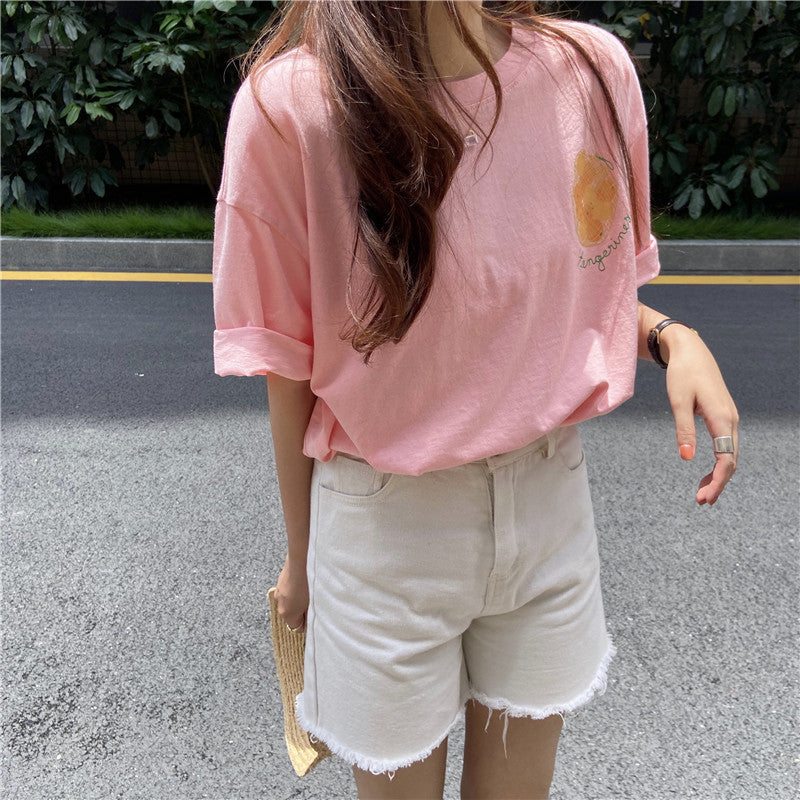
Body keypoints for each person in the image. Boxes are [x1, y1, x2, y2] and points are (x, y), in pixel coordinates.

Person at [212, 2, 738, 797]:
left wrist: (669, 335)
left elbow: (557, 292)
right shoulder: (293, 108)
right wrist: (302, 555)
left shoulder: (588, 74)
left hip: (550, 508)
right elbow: (289, 369)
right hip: (386, 535)